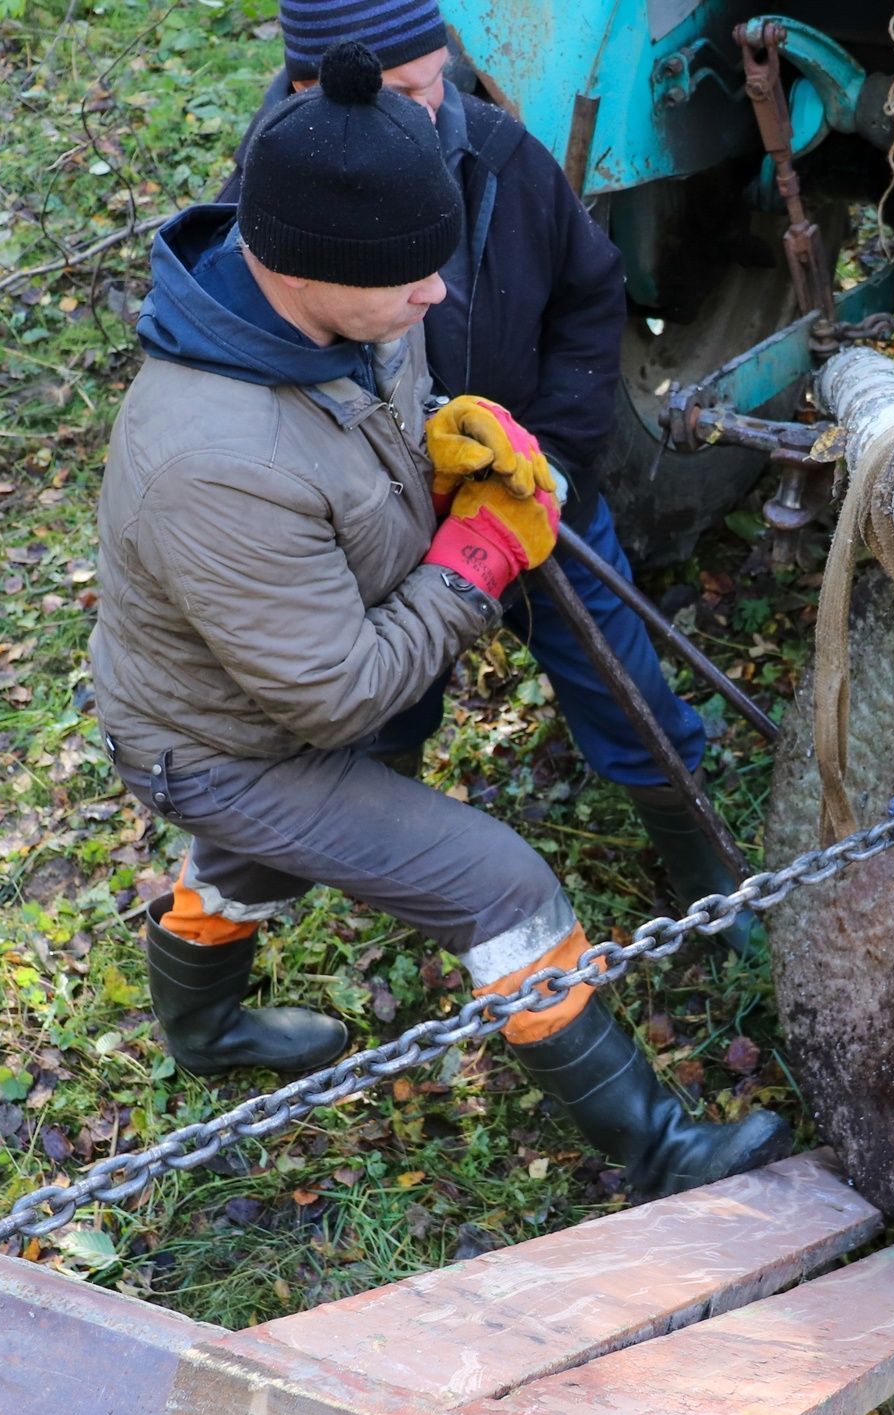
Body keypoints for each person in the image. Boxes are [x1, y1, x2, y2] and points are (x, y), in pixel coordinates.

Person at [90, 42, 785, 1200]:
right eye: (412, 282)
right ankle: (659, 1149)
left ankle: (206, 1034)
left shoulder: (358, 307)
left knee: (256, 870)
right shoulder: (209, 459)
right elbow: (340, 697)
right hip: (226, 744)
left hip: (272, 685)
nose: (438, 298)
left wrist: (453, 436)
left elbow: (379, 422)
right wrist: (478, 556)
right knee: (500, 888)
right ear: (308, 268)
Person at [223, 0, 748, 943]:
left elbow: (590, 298)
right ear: (316, 88)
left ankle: (688, 835)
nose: (434, 112)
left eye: (439, 79)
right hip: (377, 522)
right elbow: (251, 376)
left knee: (618, 676)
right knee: (382, 709)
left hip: (521, 487)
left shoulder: (494, 149)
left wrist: (548, 459)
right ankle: (385, 852)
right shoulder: (272, 198)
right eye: (403, 93)